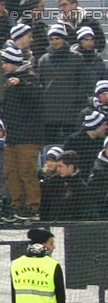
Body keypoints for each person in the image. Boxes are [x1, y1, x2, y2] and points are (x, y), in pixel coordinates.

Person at [1, 46, 43, 222]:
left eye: (5, 62)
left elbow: (38, 96)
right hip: (12, 137)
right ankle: (15, 206)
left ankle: (33, 208)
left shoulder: (30, 78)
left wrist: (22, 84)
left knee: (27, 172)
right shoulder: (7, 81)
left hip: (28, 138)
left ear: (13, 63)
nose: (3, 66)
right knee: (11, 172)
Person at [38, 24, 85, 145]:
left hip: (70, 112)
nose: (54, 42)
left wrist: (76, 100)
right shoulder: (43, 60)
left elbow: (84, 82)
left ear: (64, 39)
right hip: (50, 112)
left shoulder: (76, 58)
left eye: (57, 38)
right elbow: (41, 83)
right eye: (52, 39)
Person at [39, 150, 91, 221]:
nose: (58, 169)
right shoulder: (53, 181)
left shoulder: (82, 188)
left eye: (61, 166)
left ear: (71, 167)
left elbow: (83, 214)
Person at [63, 110, 108, 180]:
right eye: (104, 125)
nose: (106, 127)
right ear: (95, 126)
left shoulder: (103, 142)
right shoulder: (72, 141)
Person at [71, 26, 106, 99]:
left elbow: (102, 78)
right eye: (86, 40)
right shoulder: (72, 58)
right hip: (75, 99)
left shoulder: (98, 59)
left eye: (91, 40)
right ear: (80, 41)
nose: (89, 43)